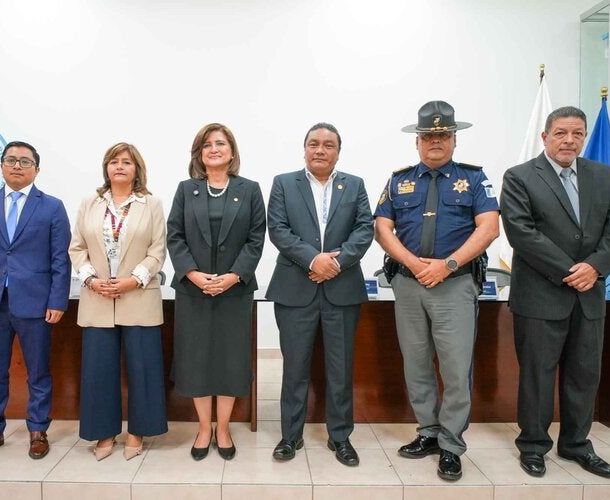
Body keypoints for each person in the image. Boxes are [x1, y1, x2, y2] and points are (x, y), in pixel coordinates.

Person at [500, 106, 610, 479]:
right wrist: (571, 271)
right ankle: (534, 445)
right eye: (560, 133)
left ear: (584, 137)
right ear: (545, 137)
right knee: (538, 375)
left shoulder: (602, 176)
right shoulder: (521, 177)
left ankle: (575, 444)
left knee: (584, 374)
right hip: (541, 295)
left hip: (589, 295)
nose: (569, 140)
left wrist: (595, 267)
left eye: (577, 133)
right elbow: (522, 233)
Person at [374, 101, 499, 481]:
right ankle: (427, 432)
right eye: (428, 135)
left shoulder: (474, 179)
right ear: (417, 141)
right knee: (416, 365)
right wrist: (414, 265)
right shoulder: (399, 180)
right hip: (409, 286)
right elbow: (382, 228)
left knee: (456, 369)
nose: (435, 141)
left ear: (455, 140)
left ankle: (451, 445)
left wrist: (448, 265)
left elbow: (489, 227)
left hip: (454, 286)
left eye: (443, 135)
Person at [0, 141, 71, 462]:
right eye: (11, 160)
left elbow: (60, 260)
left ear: (37, 168)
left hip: (36, 304)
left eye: (24, 161)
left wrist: (57, 300)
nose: (17, 166)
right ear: (2, 166)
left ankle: (38, 430)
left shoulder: (51, 207)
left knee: (38, 371)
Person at [267, 122, 374, 467]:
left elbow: (364, 228)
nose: (320, 150)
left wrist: (335, 263)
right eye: (313, 143)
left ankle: (340, 437)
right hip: (295, 288)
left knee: (339, 368)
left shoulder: (354, 185)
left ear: (338, 152)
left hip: (341, 290)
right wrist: (313, 259)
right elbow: (278, 229)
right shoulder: (284, 183)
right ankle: (290, 436)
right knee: (294, 367)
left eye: (328, 145)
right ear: (304, 149)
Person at [167, 123, 265, 461]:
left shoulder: (250, 190)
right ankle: (203, 427)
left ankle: (223, 428)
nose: (214, 148)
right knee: (196, 360)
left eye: (220, 143)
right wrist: (192, 273)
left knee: (229, 360)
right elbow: (175, 235)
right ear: (199, 154)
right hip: (193, 291)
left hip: (234, 291)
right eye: (206, 144)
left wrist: (233, 276)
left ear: (232, 152)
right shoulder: (186, 189)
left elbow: (256, 239)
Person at [69, 142, 168, 461]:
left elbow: (157, 250)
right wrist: (90, 279)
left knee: (143, 369)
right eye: (114, 161)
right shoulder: (90, 203)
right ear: (106, 168)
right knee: (98, 371)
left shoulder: (151, 204)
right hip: (97, 297)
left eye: (127, 162)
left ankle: (138, 432)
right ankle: (104, 433)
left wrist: (133, 279)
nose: (120, 166)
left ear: (137, 168)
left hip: (138, 296)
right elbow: (77, 247)